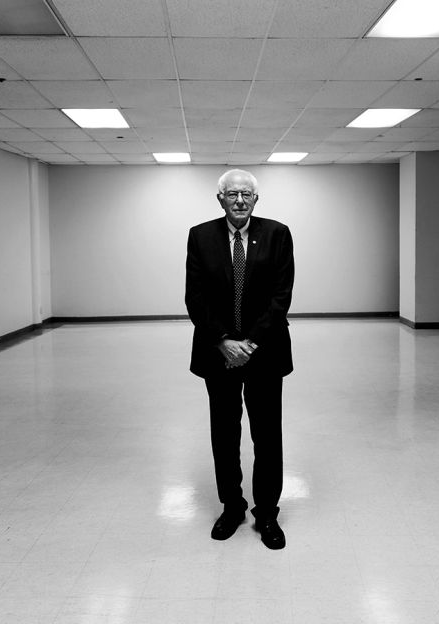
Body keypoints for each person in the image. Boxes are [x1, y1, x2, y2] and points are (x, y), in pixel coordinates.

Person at [185, 169, 294, 550]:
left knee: (267, 436)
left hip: (264, 353)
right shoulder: (200, 236)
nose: (240, 201)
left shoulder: (278, 234)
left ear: (256, 199)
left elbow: (281, 297)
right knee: (225, 434)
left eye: (247, 194)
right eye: (232, 194)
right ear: (220, 199)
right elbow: (195, 298)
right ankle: (232, 506)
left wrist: (248, 344)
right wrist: (224, 342)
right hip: (218, 355)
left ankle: (267, 512)